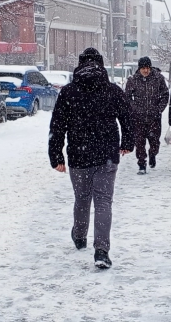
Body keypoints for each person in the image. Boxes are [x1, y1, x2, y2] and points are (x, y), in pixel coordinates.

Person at [48, 47, 134, 269]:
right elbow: (127, 117)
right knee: (104, 202)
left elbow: (57, 126)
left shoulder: (68, 92)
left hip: (78, 154)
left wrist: (56, 155)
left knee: (82, 198)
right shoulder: (113, 91)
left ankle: (79, 235)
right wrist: (127, 142)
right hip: (106, 154)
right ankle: (102, 250)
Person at [124, 57, 169, 175]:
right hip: (138, 118)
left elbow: (165, 94)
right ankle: (142, 163)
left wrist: (159, 109)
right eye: (143, 68)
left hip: (154, 117)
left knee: (154, 141)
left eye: (147, 68)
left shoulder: (158, 78)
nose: (145, 71)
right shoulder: (133, 80)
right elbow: (127, 97)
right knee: (139, 142)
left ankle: (152, 154)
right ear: (139, 69)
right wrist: (134, 109)